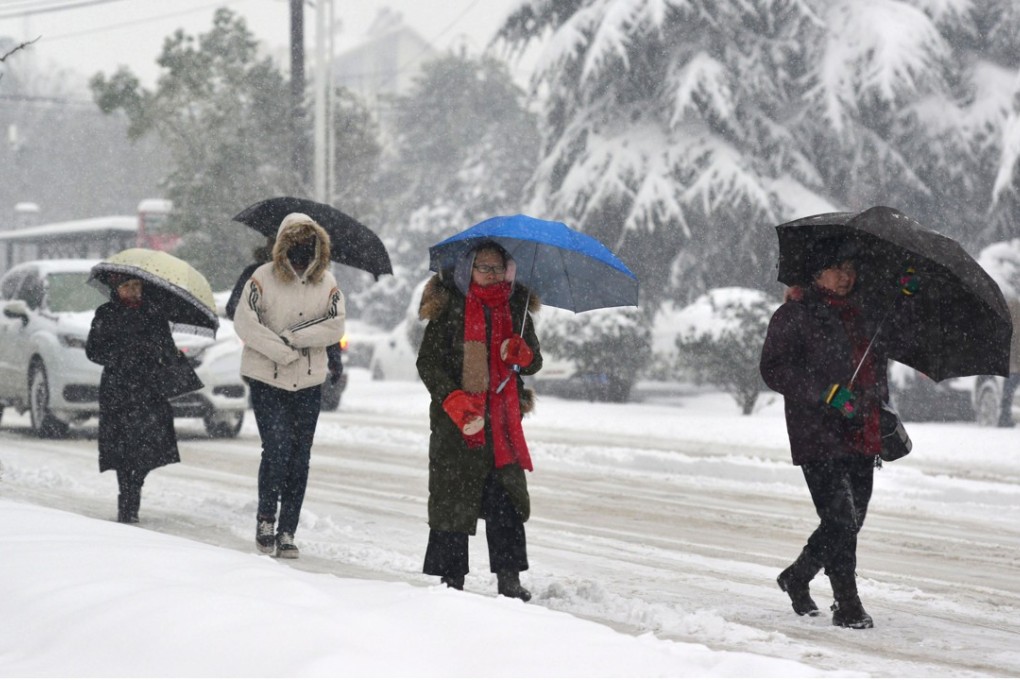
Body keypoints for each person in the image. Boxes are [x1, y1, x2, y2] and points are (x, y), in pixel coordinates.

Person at [760, 237, 913, 630]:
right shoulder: (794, 315)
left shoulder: (864, 312)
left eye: (851, 270)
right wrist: (825, 392)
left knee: (849, 521)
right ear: (817, 273)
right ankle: (847, 603)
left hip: (862, 430)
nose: (846, 277)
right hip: (818, 434)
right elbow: (774, 369)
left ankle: (797, 575)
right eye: (837, 269)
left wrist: (904, 296)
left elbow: (896, 338)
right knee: (841, 520)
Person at [416, 241, 543, 600]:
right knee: (453, 500)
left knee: (506, 501)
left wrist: (524, 353)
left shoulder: (516, 308)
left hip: (501, 422)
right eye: (484, 267)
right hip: (458, 424)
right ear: (468, 268)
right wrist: (453, 399)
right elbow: (428, 363)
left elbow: (533, 363)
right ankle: (451, 579)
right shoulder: (450, 306)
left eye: (498, 267)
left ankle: (509, 579)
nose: (491, 274)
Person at [233, 212, 345, 559]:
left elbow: (335, 326)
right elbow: (245, 323)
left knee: (300, 458)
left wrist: (296, 337)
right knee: (277, 449)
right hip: (268, 379)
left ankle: (288, 530)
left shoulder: (327, 283)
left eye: (307, 245)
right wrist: (280, 351)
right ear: (282, 245)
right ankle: (266, 518)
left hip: (309, 382)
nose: (300, 253)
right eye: (294, 244)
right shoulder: (261, 278)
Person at [86, 275, 183, 524]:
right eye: (127, 286)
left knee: (145, 445)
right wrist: (122, 355)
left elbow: (167, 347)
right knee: (122, 447)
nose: (133, 291)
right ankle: (127, 501)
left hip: (148, 390)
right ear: (116, 289)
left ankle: (133, 490)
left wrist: (161, 354)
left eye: (137, 285)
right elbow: (93, 350)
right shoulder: (106, 313)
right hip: (118, 389)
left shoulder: (154, 312)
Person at [227, 237, 345, 394]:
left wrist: (334, 357)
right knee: (273, 415)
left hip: (303, 372)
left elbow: (327, 321)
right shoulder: (255, 275)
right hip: (267, 368)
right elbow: (235, 309)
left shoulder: (315, 279)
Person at [998, 297, 1020, 428]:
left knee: (1008, 392)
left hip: (1012, 365)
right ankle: (1004, 417)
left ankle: (1004, 417)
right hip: (1013, 365)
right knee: (1008, 392)